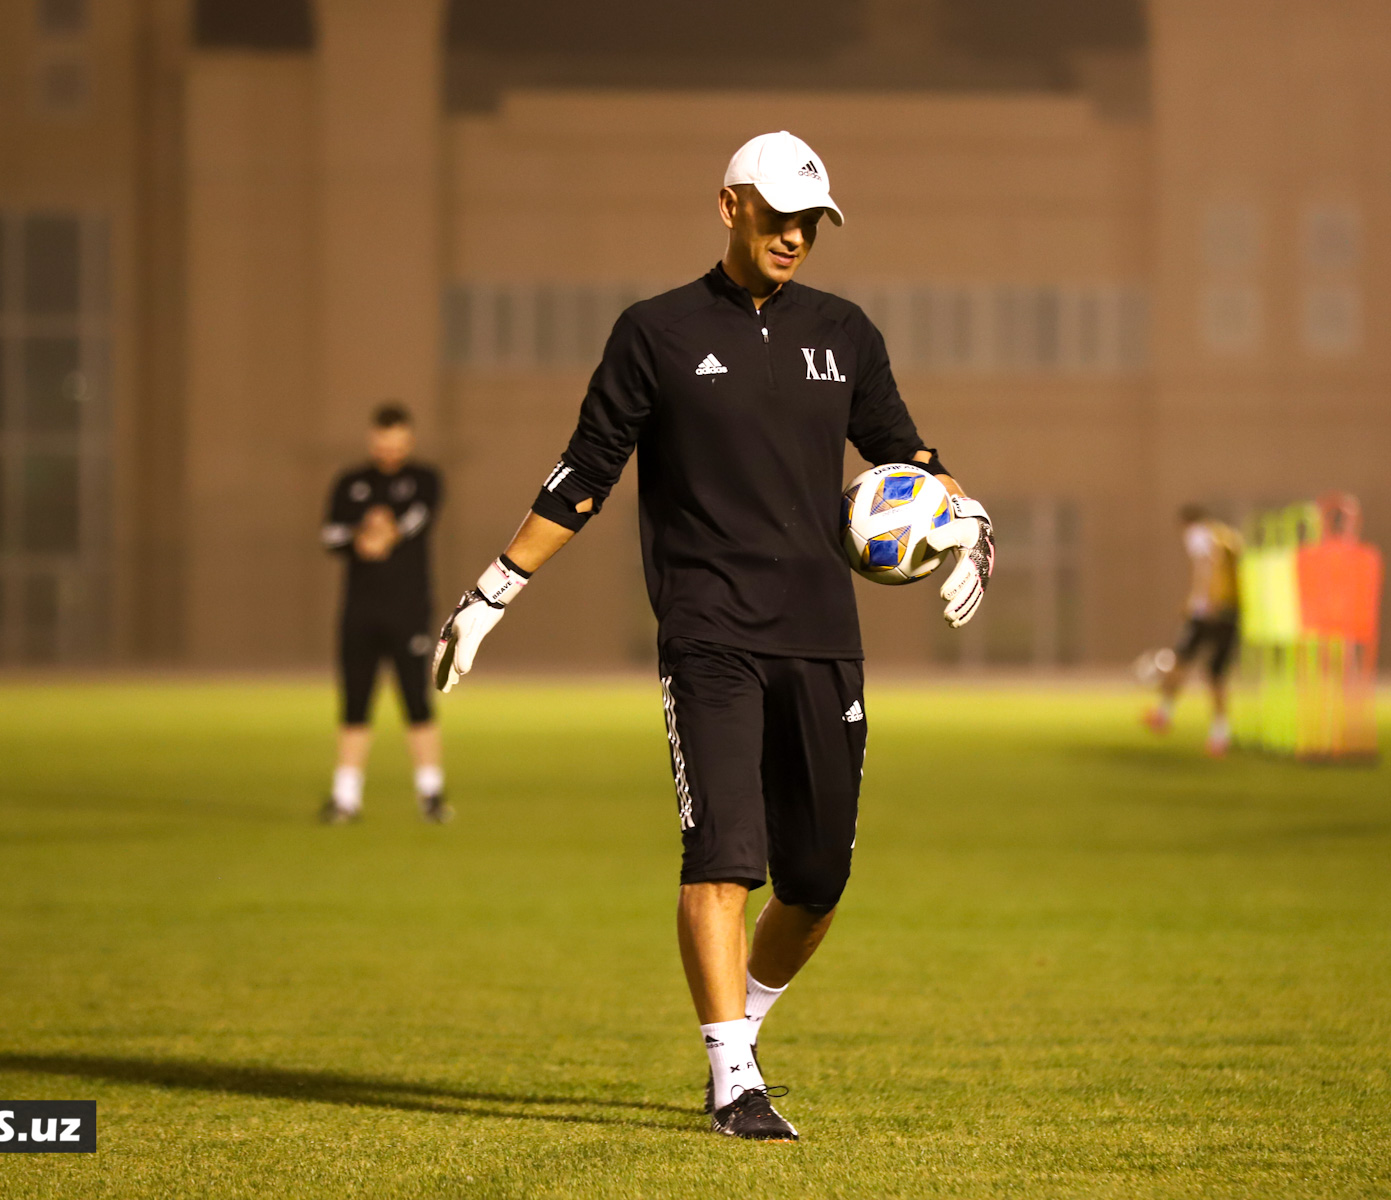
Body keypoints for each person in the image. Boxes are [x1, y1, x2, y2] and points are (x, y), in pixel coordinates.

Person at [430, 132, 994, 1141]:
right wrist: (492, 591)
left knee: (817, 881)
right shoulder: (654, 333)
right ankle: (733, 1078)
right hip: (709, 635)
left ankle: (749, 1028)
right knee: (725, 856)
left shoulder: (847, 333)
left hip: (824, 636)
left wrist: (969, 531)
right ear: (728, 204)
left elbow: (908, 454)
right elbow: (584, 475)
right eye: (776, 215)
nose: (793, 237)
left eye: (810, 222)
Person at [319, 403, 449, 825]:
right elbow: (330, 534)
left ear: (408, 441)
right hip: (359, 611)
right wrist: (363, 534)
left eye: (397, 442)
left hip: (409, 610)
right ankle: (346, 797)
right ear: (372, 439)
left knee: (416, 700)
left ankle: (431, 793)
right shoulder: (351, 482)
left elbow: (417, 520)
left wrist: (385, 530)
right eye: (382, 441)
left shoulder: (424, 479)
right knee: (355, 702)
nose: (389, 449)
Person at [1145, 505, 1242, 755]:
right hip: (1233, 611)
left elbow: (1206, 563)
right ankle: (1220, 734)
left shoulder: (1199, 533)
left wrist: (1200, 598)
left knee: (1180, 661)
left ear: (1185, 523)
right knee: (1216, 674)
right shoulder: (1227, 535)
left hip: (1207, 612)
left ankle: (1163, 714)